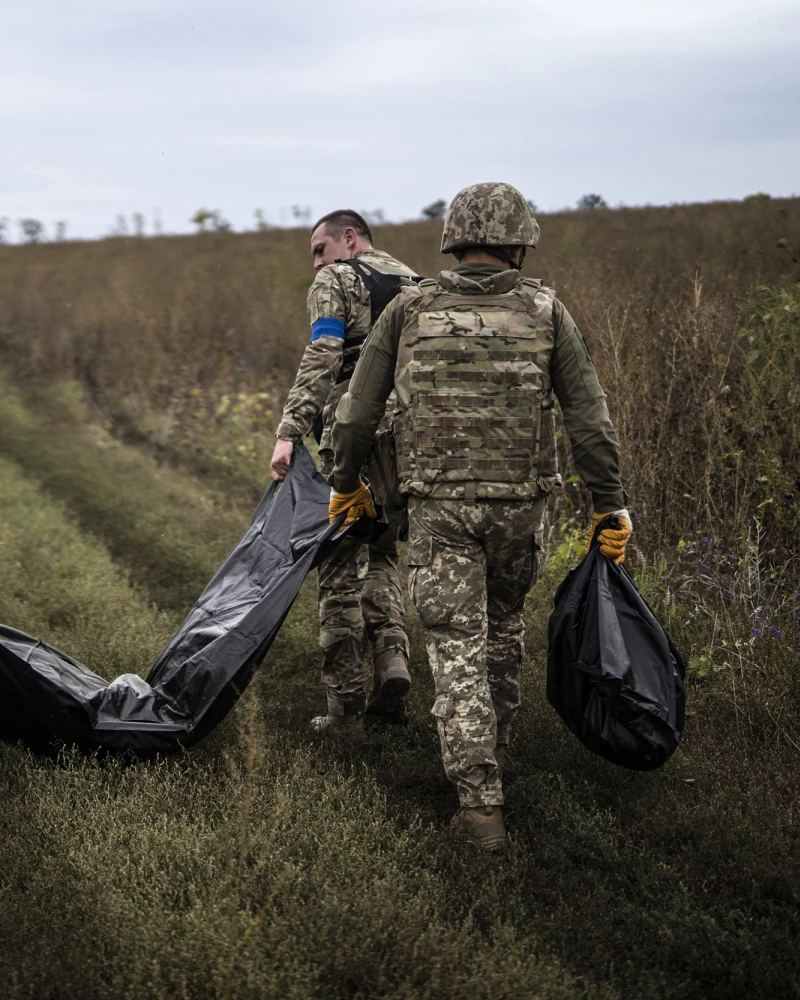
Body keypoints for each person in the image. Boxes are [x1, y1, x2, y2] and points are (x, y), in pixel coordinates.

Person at [325, 182, 630, 852]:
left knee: (455, 642)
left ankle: (478, 803)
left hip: (439, 508)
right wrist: (610, 503)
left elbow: (355, 415)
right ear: (520, 241)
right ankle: (493, 759)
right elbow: (589, 419)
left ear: (452, 240)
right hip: (524, 509)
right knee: (503, 630)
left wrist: (346, 485)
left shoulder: (408, 310)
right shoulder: (548, 311)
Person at [269, 210, 418, 735]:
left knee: (337, 565)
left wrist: (290, 430)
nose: (315, 263)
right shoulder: (417, 284)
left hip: (355, 439)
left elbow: (323, 353)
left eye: (318, 249)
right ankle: (394, 661)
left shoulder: (336, 279)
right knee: (382, 550)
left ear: (348, 239)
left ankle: (345, 711)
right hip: (412, 445)